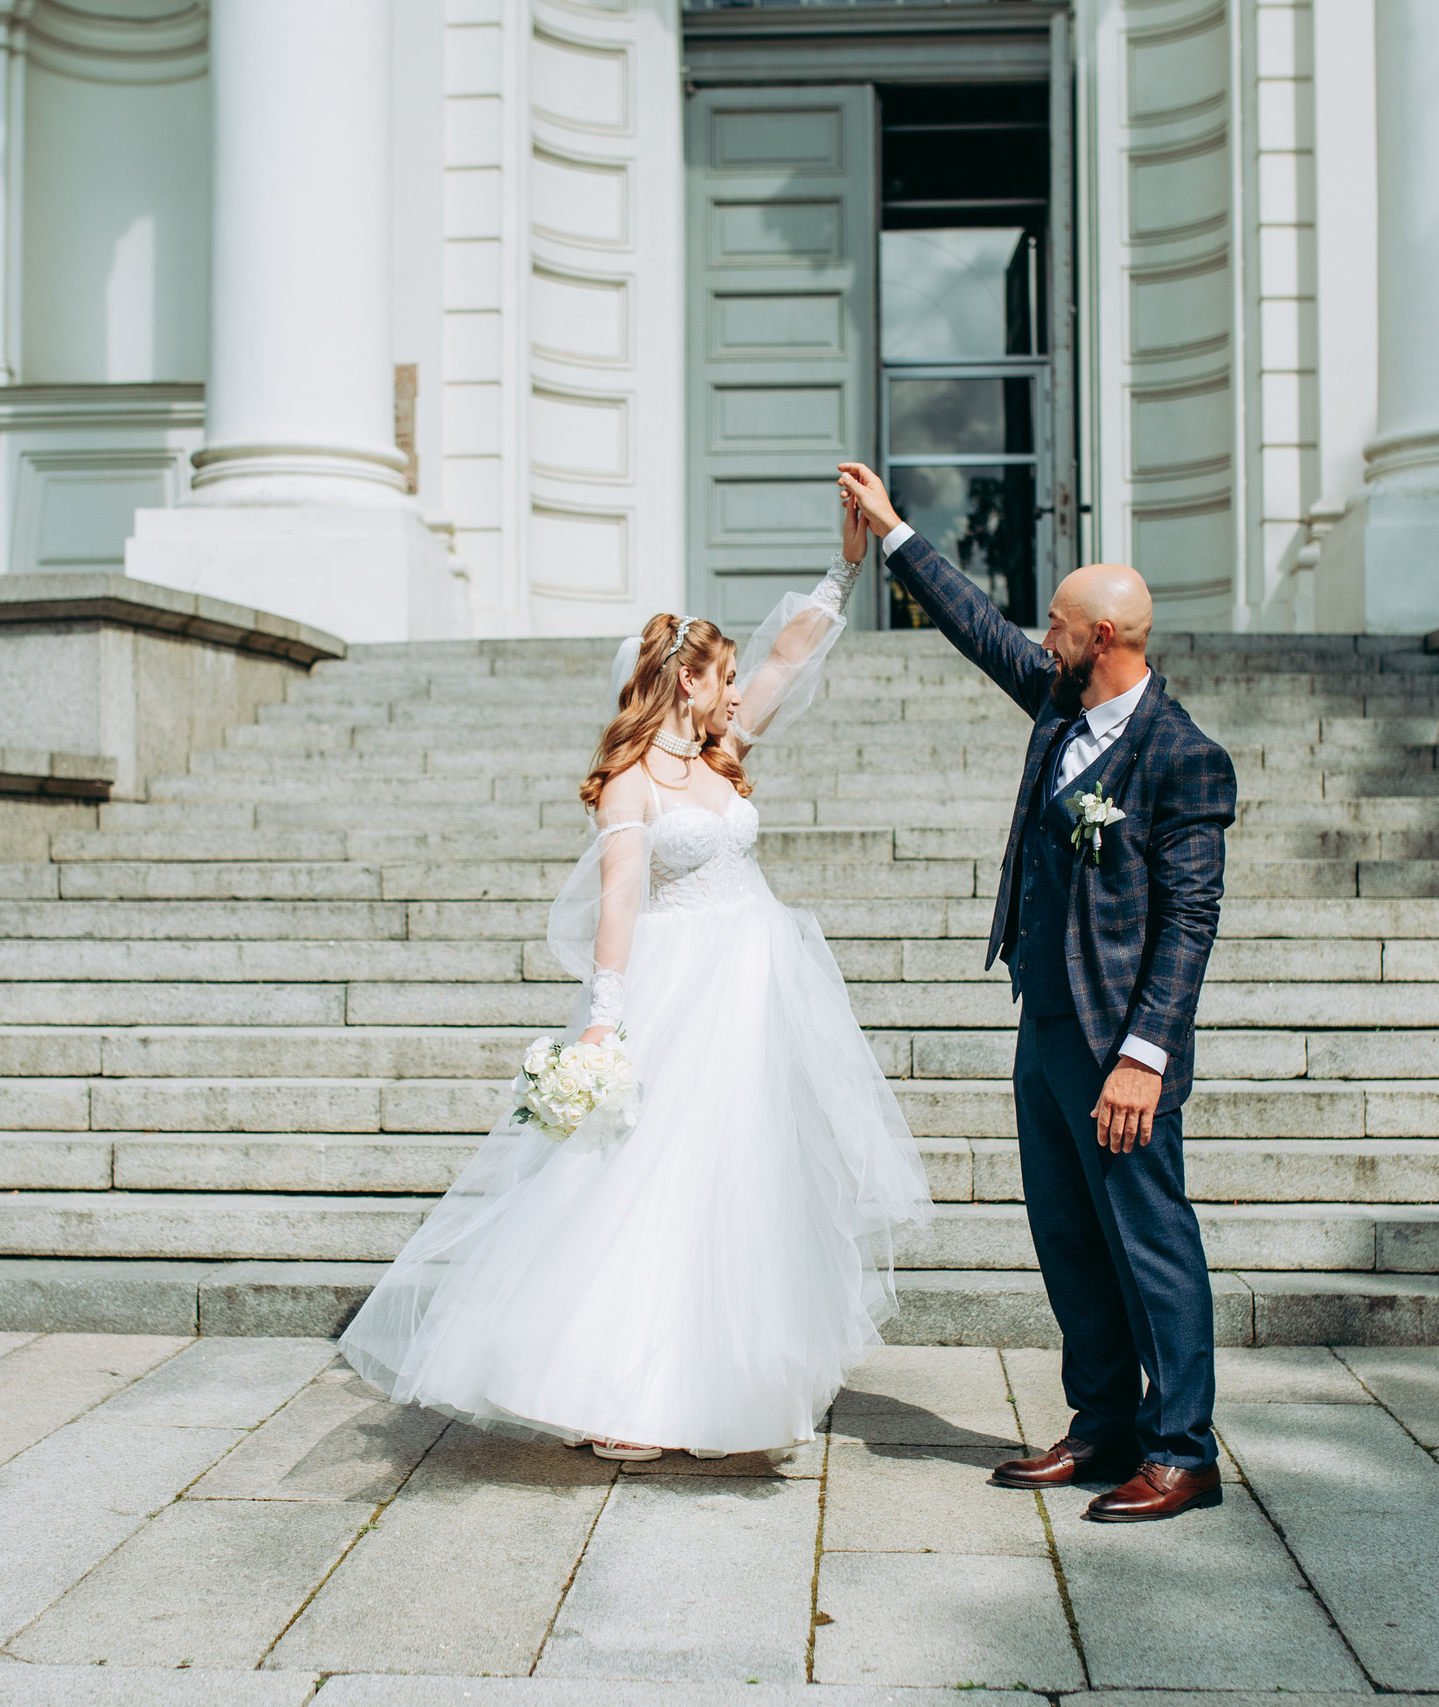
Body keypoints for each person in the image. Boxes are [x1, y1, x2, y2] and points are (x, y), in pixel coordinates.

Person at [339, 548, 934, 1460]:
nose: (738, 692)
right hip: (678, 989)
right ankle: (619, 1389)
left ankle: (725, 1389)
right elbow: (619, 901)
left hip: (754, 992)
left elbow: (786, 661)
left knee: (740, 1181)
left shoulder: (720, 753)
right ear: (684, 679)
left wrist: (843, 575)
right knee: (651, 1180)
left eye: (735, 680)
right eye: (722, 678)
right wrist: (603, 1021)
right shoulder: (633, 782)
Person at [834, 461, 1236, 1522]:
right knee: (1066, 1234)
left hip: (1120, 1046)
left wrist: (1145, 1057)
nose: (1041, 637)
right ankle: (1103, 1426)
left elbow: (1188, 924)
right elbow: (983, 633)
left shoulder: (1183, 758)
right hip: (1046, 1021)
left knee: (1149, 1241)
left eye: (1057, 624)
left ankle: (1182, 1452)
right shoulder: (1061, 710)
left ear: (1103, 637)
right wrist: (894, 534)